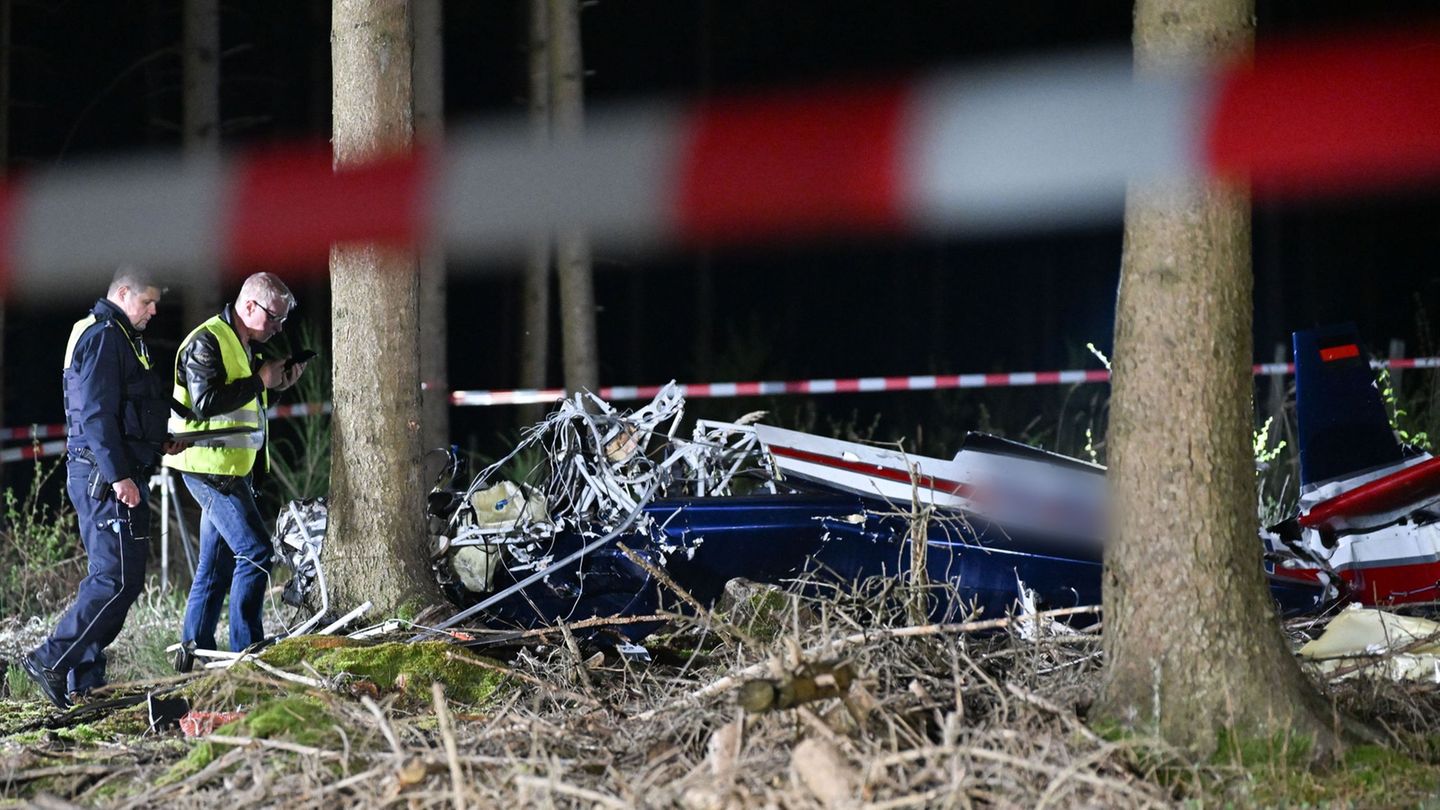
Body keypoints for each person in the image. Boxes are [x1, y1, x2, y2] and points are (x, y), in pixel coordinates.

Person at [23, 267, 181, 709]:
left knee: (116, 579)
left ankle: (84, 680)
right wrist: (119, 476)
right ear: (124, 292)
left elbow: (125, 406)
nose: (153, 311)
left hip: (113, 471)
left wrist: (156, 441)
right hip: (105, 477)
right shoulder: (105, 336)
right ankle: (51, 659)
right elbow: (93, 415)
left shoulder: (119, 335)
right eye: (147, 302)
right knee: (115, 580)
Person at [167, 272, 307, 671]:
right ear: (249, 306)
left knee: (216, 563)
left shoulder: (244, 344)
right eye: (274, 318)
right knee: (257, 552)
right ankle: (247, 653)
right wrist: (260, 379)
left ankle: (193, 653)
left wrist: (276, 385)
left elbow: (244, 402)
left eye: (282, 320)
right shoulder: (207, 341)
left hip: (229, 468)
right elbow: (207, 401)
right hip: (209, 469)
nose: (279, 327)